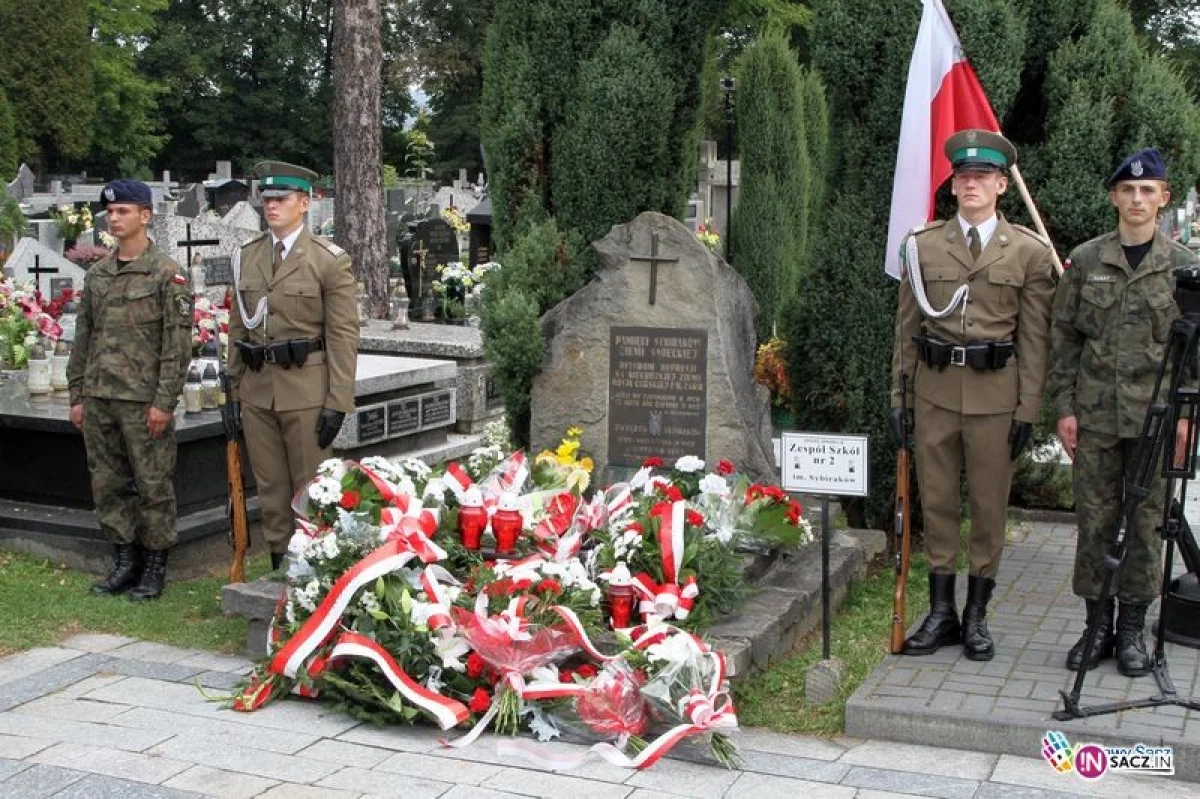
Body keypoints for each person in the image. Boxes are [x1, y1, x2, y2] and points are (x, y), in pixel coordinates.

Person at [891, 129, 1057, 660]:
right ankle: (941, 612)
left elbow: (1034, 339)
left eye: (982, 177)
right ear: (954, 184)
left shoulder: (1028, 253)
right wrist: (901, 399)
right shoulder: (921, 245)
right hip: (936, 394)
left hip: (995, 399)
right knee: (937, 503)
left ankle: (977, 614)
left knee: (987, 508)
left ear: (1002, 185)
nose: (971, 185)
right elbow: (906, 328)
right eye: (963, 177)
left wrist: (1028, 409)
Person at [1046, 148, 1196, 677]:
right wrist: (1063, 408)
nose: (1137, 199)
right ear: (1114, 196)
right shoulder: (1087, 262)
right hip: (1096, 419)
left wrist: (1186, 416)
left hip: (1155, 422)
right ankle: (1097, 628)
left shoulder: (1182, 267)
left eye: (1147, 191)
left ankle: (1132, 629)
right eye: (1128, 190)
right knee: (1094, 521)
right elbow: (1062, 339)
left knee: (1146, 523)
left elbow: (1194, 352)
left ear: (1163, 199)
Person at [227, 161, 359, 570]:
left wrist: (338, 400)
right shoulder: (246, 257)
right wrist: (233, 390)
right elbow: (237, 326)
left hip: (305, 392)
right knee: (269, 487)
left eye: (281, 199)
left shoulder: (328, 261)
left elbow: (343, 335)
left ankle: (318, 573)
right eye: (265, 199)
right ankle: (280, 571)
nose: (271, 206)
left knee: (311, 488)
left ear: (305, 203)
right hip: (257, 390)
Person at [67, 179, 193, 600]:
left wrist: (164, 401)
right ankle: (124, 561)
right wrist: (78, 394)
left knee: (153, 483)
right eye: (111, 212)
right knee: (108, 482)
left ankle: (154, 566)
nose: (115, 218)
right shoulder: (99, 274)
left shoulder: (167, 274)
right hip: (101, 397)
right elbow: (84, 336)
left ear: (145, 215)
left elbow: (176, 346)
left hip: (142, 401)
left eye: (123, 211)